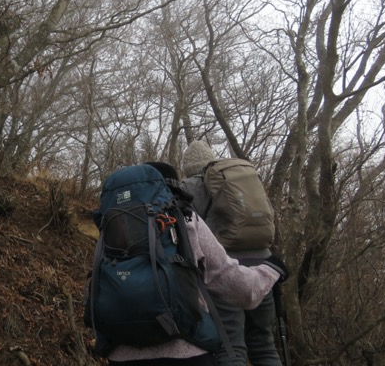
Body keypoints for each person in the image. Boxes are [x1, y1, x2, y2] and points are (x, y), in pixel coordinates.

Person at [103, 161, 288, 366]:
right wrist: (271, 269)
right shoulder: (186, 219)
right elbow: (242, 290)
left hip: (120, 355)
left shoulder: (110, 228)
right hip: (186, 353)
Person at [180, 141, 283, 366]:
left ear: (187, 167)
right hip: (263, 266)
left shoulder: (187, 188)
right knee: (264, 345)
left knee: (231, 346)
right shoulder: (239, 183)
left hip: (227, 271)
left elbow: (187, 232)